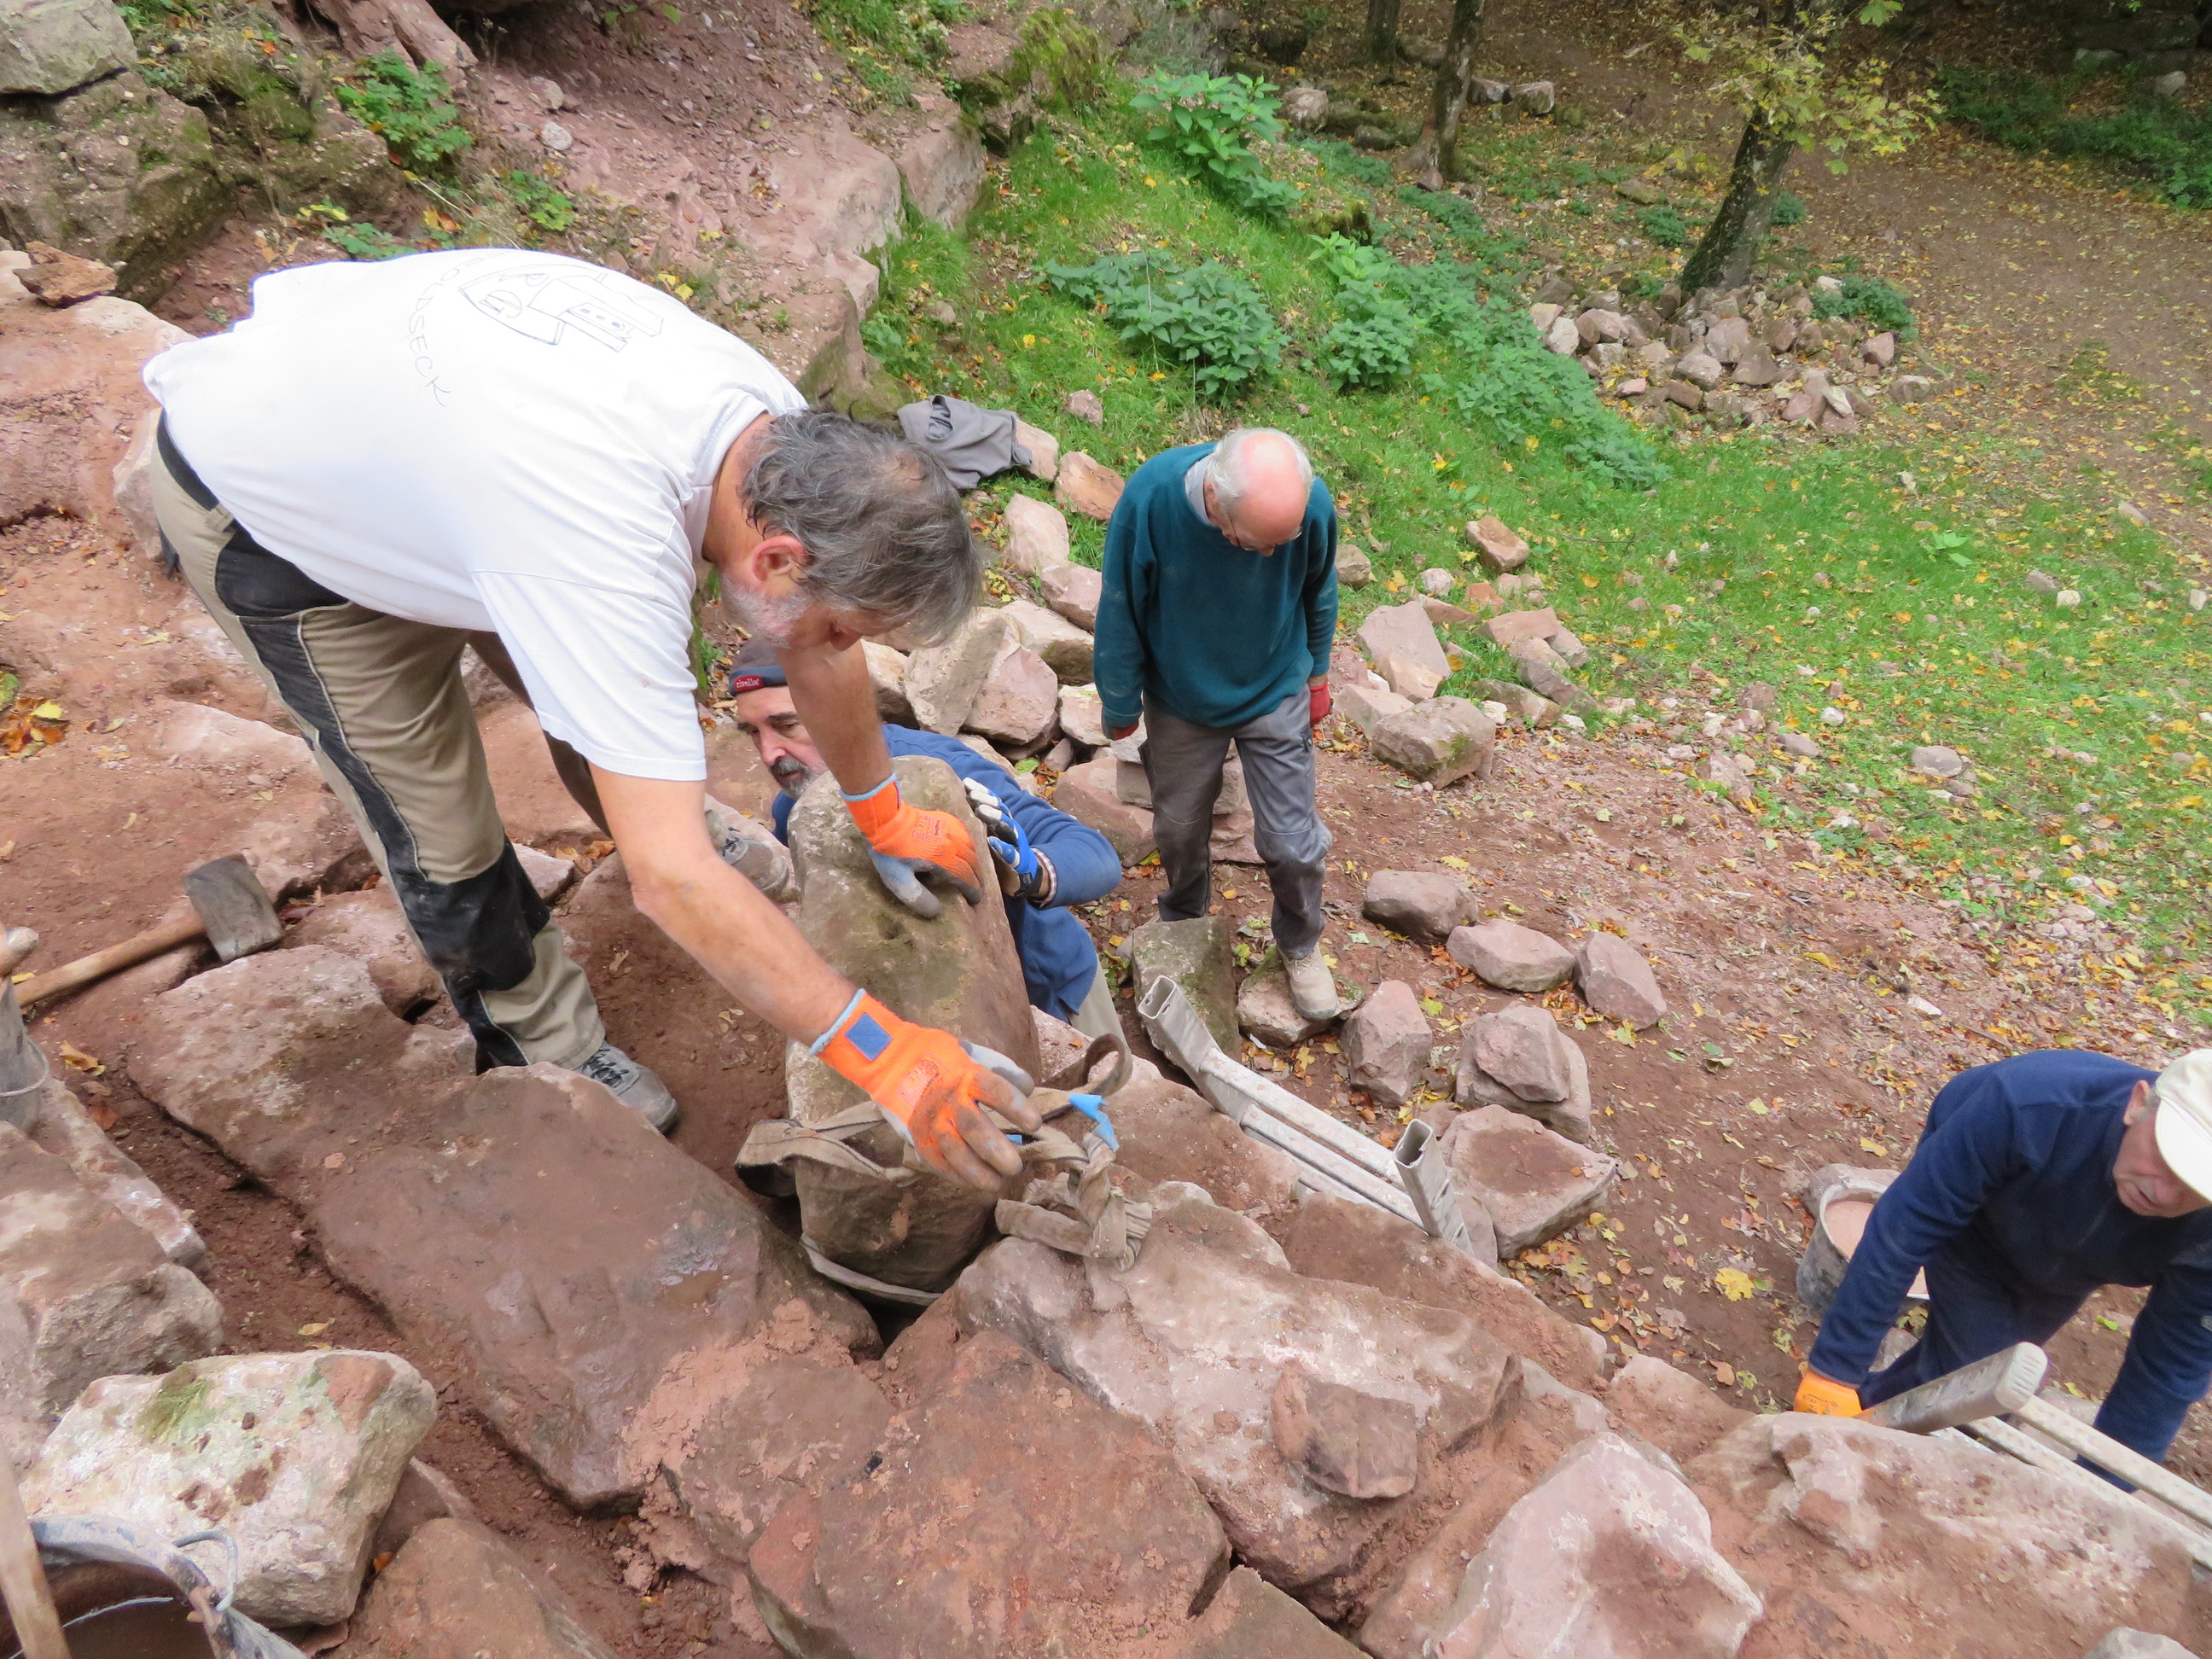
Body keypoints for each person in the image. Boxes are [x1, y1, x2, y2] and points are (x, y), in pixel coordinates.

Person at [138, 247, 1039, 1189]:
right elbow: (670, 884)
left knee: (609, 708)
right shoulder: (600, 547)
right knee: (437, 824)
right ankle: (540, 1035)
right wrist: (887, 1057)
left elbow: (820, 649)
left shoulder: (781, 446)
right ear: (776, 560)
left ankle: (656, 815)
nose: (840, 643)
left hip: (438, 458)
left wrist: (880, 811)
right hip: (277, 517)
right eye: (845, 621)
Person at [1796, 1048, 2212, 1466]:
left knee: (1982, 1370)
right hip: (1984, 1209)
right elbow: (1904, 1230)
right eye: (2166, 1157)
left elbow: (2167, 1371)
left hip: (2074, 1269)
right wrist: (1835, 1371)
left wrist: (2106, 1484)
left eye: (2195, 1183)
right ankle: (1847, 1433)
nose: (2165, 1193)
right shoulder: (2028, 1105)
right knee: (1976, 1377)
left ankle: (1864, 1423)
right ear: (2138, 1104)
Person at [726, 640, 1125, 1038]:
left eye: (786, 726)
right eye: (754, 733)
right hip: (932, 1005)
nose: (768, 754)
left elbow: (1095, 854)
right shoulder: (793, 809)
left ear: (840, 707)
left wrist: (1027, 873)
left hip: (1048, 990)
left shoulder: (935, 769)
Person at [1093, 427, 1340, 1022]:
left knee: (1291, 843)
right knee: (1178, 829)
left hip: (1275, 683)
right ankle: (1183, 919)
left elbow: (1320, 588)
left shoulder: (1308, 506)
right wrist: (1119, 701)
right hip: (1182, 693)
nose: (1272, 556)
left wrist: (1318, 676)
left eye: (1283, 541)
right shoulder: (1152, 499)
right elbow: (1120, 603)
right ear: (1217, 504)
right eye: (1259, 543)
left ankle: (1301, 943)